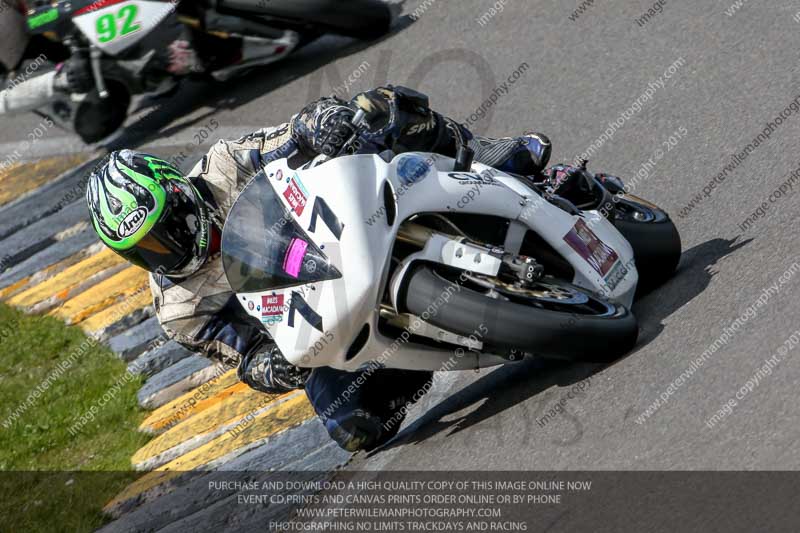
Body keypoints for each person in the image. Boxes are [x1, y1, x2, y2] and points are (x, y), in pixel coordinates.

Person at [86, 86, 557, 451]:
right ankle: (427, 350)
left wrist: (323, 124)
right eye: (145, 250)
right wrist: (273, 368)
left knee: (375, 109)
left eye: (166, 228)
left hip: (347, 221)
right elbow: (245, 358)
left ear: (177, 191)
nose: (166, 248)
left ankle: (489, 157)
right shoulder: (178, 310)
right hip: (328, 315)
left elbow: (292, 132)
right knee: (352, 426)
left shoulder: (224, 166)